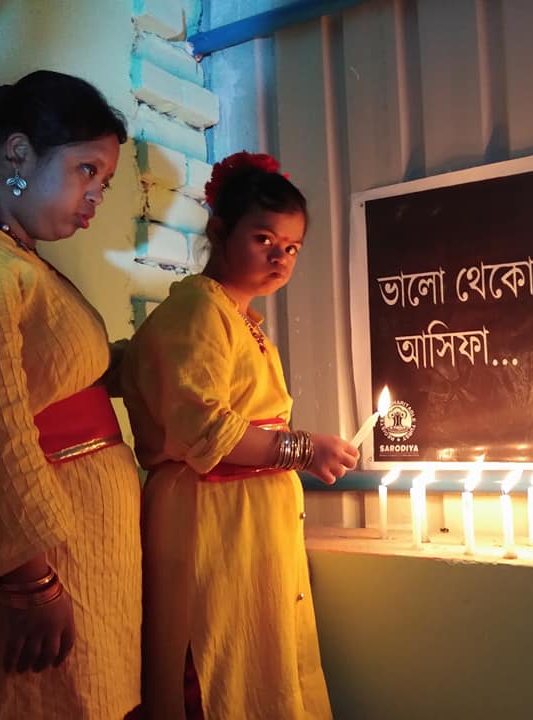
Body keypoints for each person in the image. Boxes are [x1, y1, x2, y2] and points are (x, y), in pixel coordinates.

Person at [122, 151, 358, 720]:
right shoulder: (199, 312)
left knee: (260, 654)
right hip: (210, 519)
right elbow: (204, 427)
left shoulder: (240, 320)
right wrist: (304, 449)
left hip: (247, 521)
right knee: (213, 659)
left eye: (292, 247)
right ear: (219, 232)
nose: (280, 257)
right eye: (263, 239)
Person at [0, 71, 142, 717]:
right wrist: (32, 581)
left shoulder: (15, 257)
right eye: (88, 170)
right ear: (18, 153)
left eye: (104, 182)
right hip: (41, 567)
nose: (97, 197)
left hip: (83, 553)